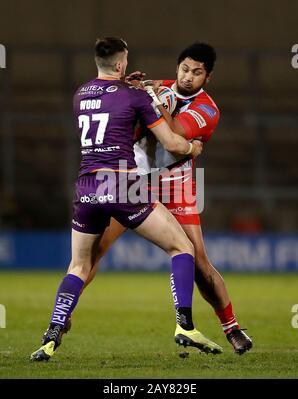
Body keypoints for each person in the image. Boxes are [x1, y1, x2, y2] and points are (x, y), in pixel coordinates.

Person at [30, 37, 223, 361]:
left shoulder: (80, 94)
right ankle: (184, 326)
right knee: (182, 247)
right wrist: (193, 148)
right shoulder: (135, 97)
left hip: (88, 187)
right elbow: (174, 143)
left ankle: (52, 333)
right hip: (123, 186)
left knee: (79, 265)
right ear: (121, 64)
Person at [72, 42, 253, 355]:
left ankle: (231, 326)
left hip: (176, 184)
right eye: (184, 69)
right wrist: (128, 90)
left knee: (198, 263)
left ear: (207, 77)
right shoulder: (160, 87)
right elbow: (124, 110)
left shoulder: (208, 108)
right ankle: (64, 316)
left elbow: (177, 135)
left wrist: (149, 98)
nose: (187, 77)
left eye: (197, 72)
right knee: (95, 249)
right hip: (134, 182)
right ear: (178, 66)